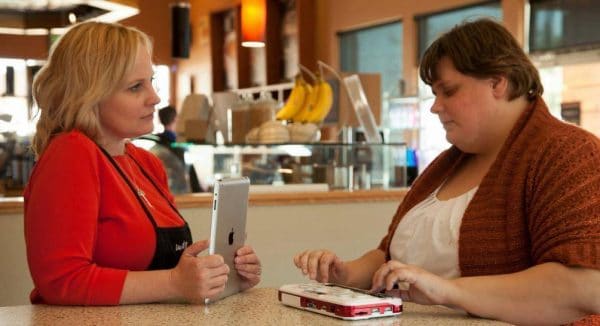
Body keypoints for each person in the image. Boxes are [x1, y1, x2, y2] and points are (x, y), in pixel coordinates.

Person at [294, 18, 600, 325]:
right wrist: (344, 274)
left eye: (448, 91)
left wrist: (447, 291)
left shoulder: (568, 153)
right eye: (434, 94)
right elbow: (390, 256)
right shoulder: (446, 165)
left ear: (498, 81)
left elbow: (584, 288)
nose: (435, 107)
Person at [25, 21, 261, 305]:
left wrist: (218, 275)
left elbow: (160, 273)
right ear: (89, 95)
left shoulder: (146, 163)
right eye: (136, 87)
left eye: (152, 81)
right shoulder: (71, 152)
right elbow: (62, 281)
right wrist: (175, 282)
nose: (155, 98)